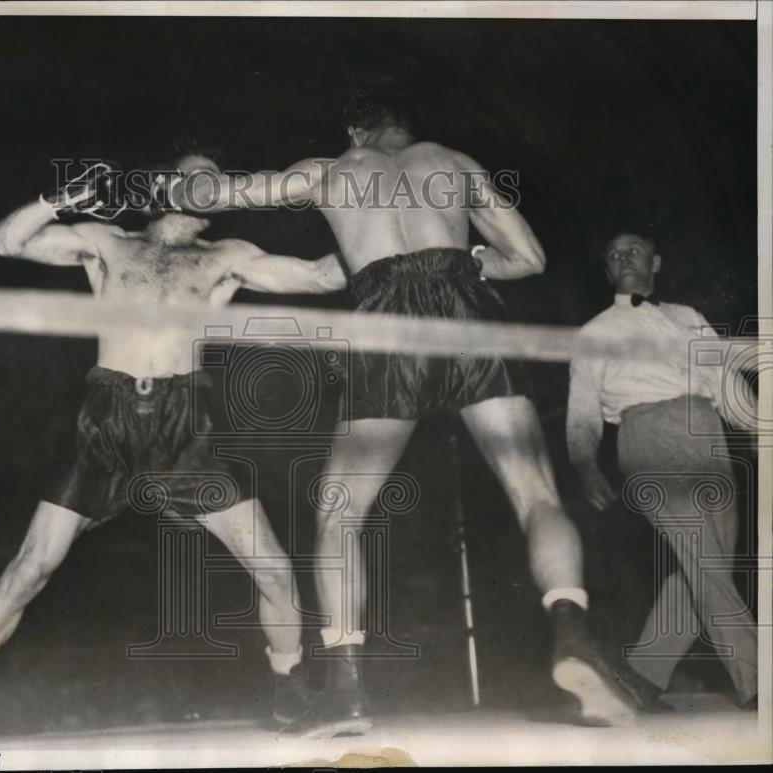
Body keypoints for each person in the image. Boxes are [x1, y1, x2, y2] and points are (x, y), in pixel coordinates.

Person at [167, 86, 637, 735]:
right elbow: (529, 258)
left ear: (356, 131)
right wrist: (469, 259)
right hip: (467, 312)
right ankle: (572, 630)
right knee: (535, 493)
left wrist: (197, 176)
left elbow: (212, 197)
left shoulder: (331, 169)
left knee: (339, 511)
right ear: (406, 128)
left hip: (387, 321)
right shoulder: (456, 162)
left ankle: (349, 688)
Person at [0, 149, 348, 750]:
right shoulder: (107, 243)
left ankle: (289, 693)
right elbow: (5, 242)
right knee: (29, 568)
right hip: (105, 426)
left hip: (184, 430)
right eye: (198, 179)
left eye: (217, 185)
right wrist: (60, 200)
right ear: (166, 185)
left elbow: (324, 275)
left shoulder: (227, 257)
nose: (210, 190)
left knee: (272, 566)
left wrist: (371, 222)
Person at [566, 231, 758, 711]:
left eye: (632, 250)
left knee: (707, 569)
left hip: (707, 433)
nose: (622, 257)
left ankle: (642, 674)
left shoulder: (687, 317)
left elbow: (723, 378)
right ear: (608, 273)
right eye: (613, 254)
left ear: (656, 261)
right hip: (648, 436)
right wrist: (586, 465)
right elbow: (583, 413)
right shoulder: (593, 333)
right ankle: (760, 682)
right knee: (707, 567)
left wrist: (758, 430)